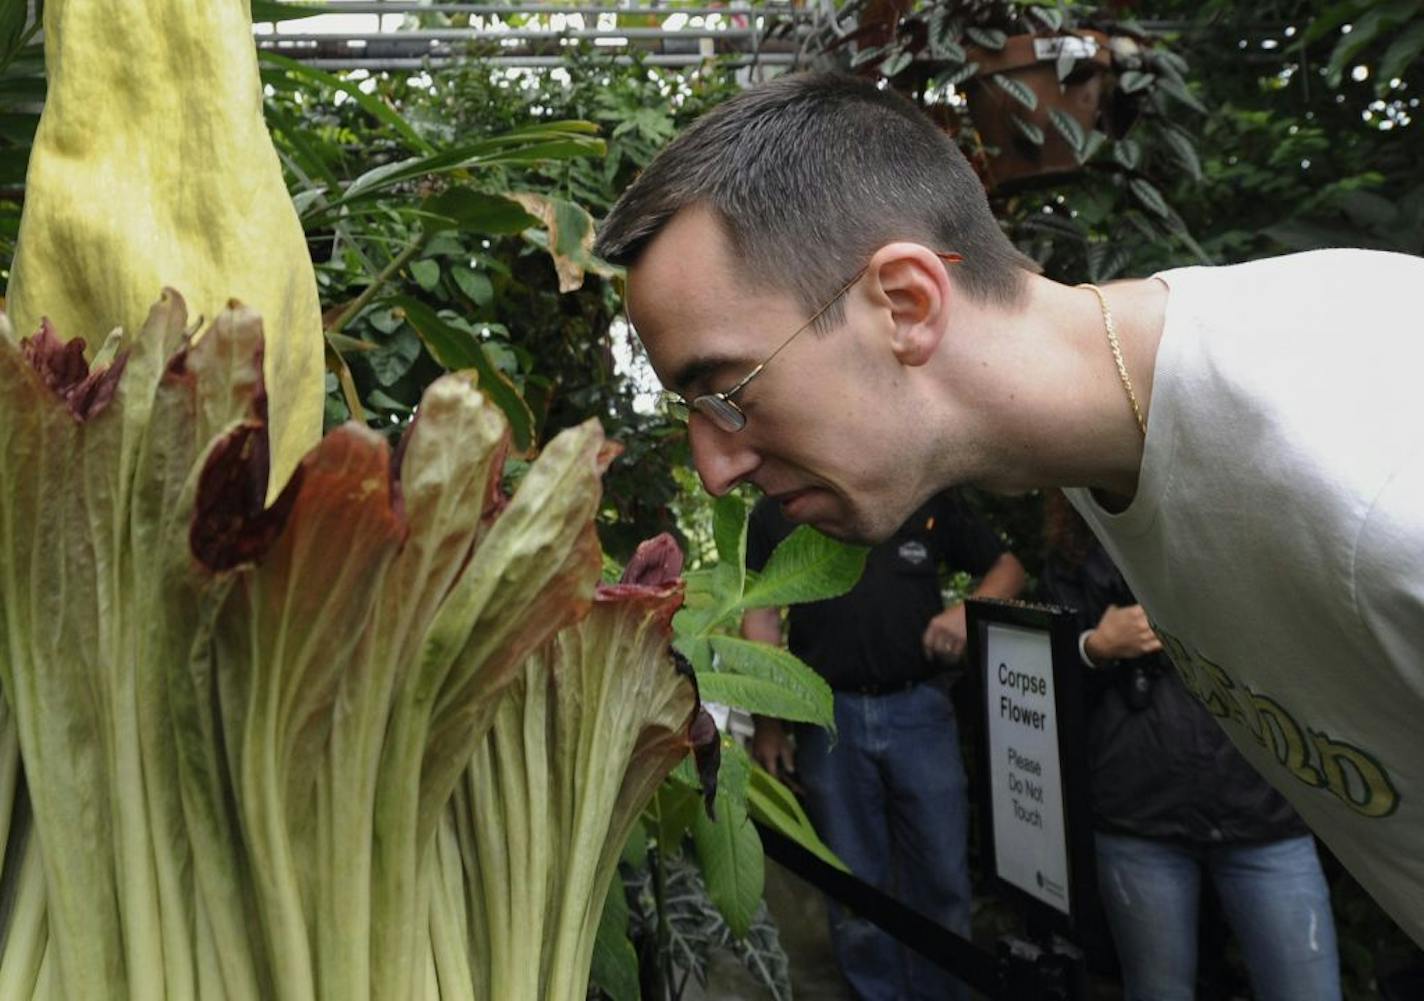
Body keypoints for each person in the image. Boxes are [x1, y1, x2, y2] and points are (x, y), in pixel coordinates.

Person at [592, 72, 1424, 945]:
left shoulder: (1373, 472)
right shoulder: (1120, 450)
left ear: (907, 304)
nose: (713, 469)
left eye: (726, 390)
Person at [1039, 491, 1341, 1001]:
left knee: (1305, 986)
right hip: (1139, 812)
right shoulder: (1078, 546)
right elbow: (1038, 680)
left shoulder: (1258, 522)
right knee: (1157, 989)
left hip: (1262, 810)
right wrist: (1096, 646)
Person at [744, 491, 1025, 1001]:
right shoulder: (778, 509)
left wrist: (969, 611)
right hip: (826, 719)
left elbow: (1007, 567)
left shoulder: (922, 492)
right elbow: (760, 617)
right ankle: (877, 994)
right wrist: (767, 723)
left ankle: (944, 993)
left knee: (941, 877)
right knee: (852, 885)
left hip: (920, 711)